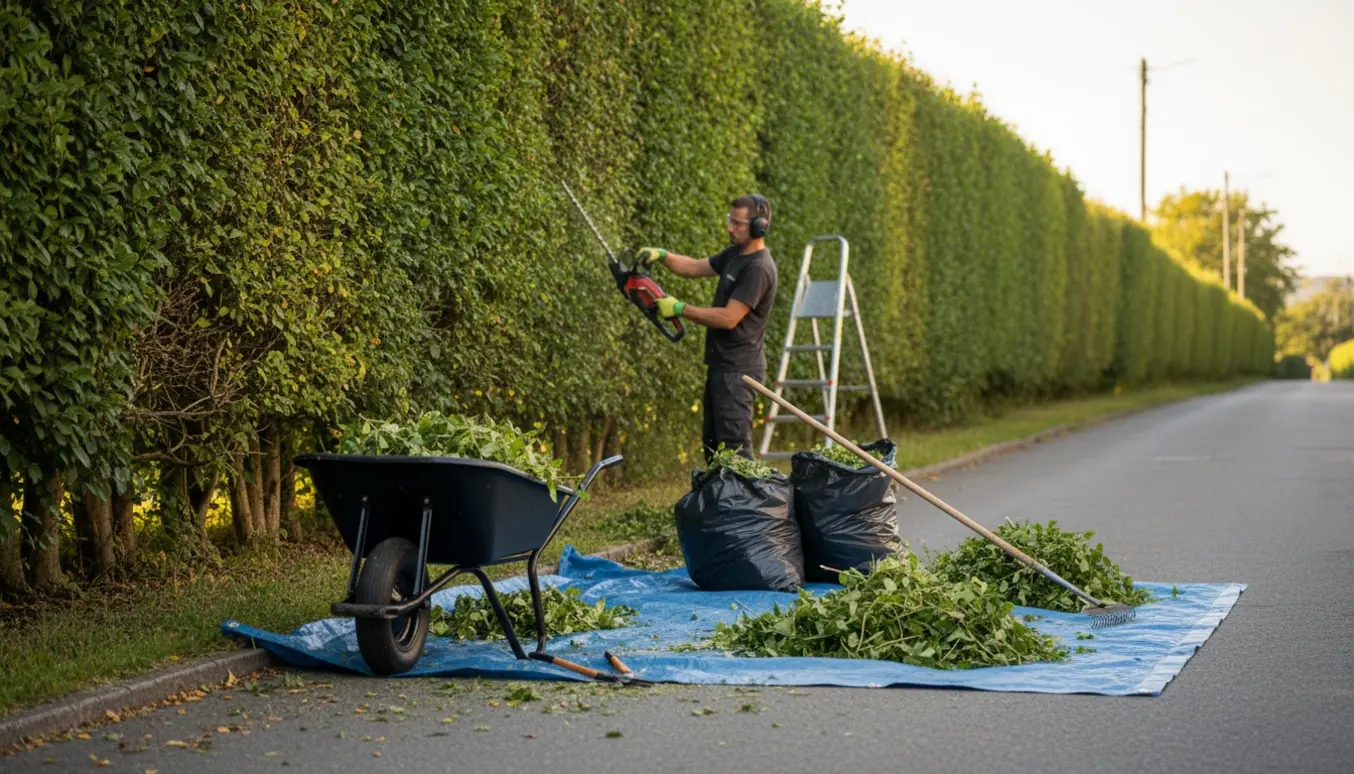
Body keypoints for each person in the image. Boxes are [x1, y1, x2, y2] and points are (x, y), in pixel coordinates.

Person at [637, 194, 778, 462]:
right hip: (722, 366)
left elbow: (728, 318)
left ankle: (744, 503)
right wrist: (663, 256)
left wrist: (680, 309)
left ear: (759, 226)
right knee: (714, 448)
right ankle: (720, 503)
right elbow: (693, 267)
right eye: (730, 220)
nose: (730, 228)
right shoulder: (735, 255)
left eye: (737, 223)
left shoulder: (759, 268)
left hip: (740, 372)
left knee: (735, 452)